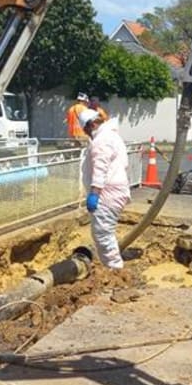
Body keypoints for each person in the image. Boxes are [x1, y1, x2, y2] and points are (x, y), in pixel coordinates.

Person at [79, 107, 131, 270]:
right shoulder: (111, 136)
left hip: (106, 194)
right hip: (115, 190)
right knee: (104, 232)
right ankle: (113, 267)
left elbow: (100, 168)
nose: (86, 133)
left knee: (102, 234)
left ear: (91, 124)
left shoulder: (102, 141)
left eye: (86, 129)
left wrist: (94, 193)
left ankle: (115, 271)